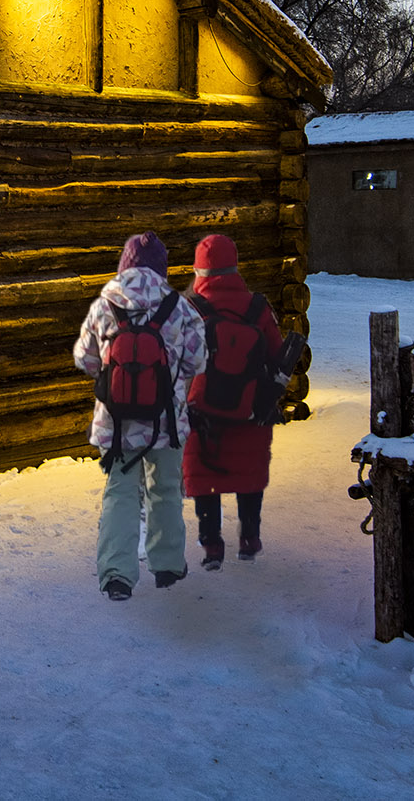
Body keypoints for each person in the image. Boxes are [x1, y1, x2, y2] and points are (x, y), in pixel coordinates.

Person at [73, 230, 206, 600]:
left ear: (124, 265)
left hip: (117, 424)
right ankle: (166, 567)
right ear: (161, 269)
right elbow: (197, 360)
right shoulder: (178, 307)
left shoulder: (106, 303)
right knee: (164, 491)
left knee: (121, 493)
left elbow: (84, 358)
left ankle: (117, 575)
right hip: (167, 423)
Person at [181, 233, 284, 568]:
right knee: (248, 474)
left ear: (199, 270)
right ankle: (249, 538)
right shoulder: (257, 307)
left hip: (203, 412)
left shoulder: (190, 309)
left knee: (205, 477)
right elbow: (275, 353)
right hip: (250, 410)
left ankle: (211, 545)